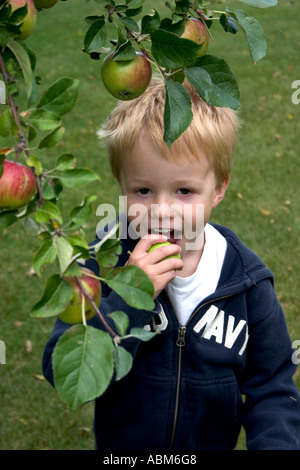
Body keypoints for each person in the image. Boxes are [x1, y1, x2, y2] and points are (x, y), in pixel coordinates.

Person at [42, 78, 300, 450]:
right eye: (143, 190)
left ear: (219, 189)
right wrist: (129, 294)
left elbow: (273, 388)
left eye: (184, 191)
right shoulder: (102, 263)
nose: (162, 212)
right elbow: (63, 372)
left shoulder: (246, 283)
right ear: (121, 184)